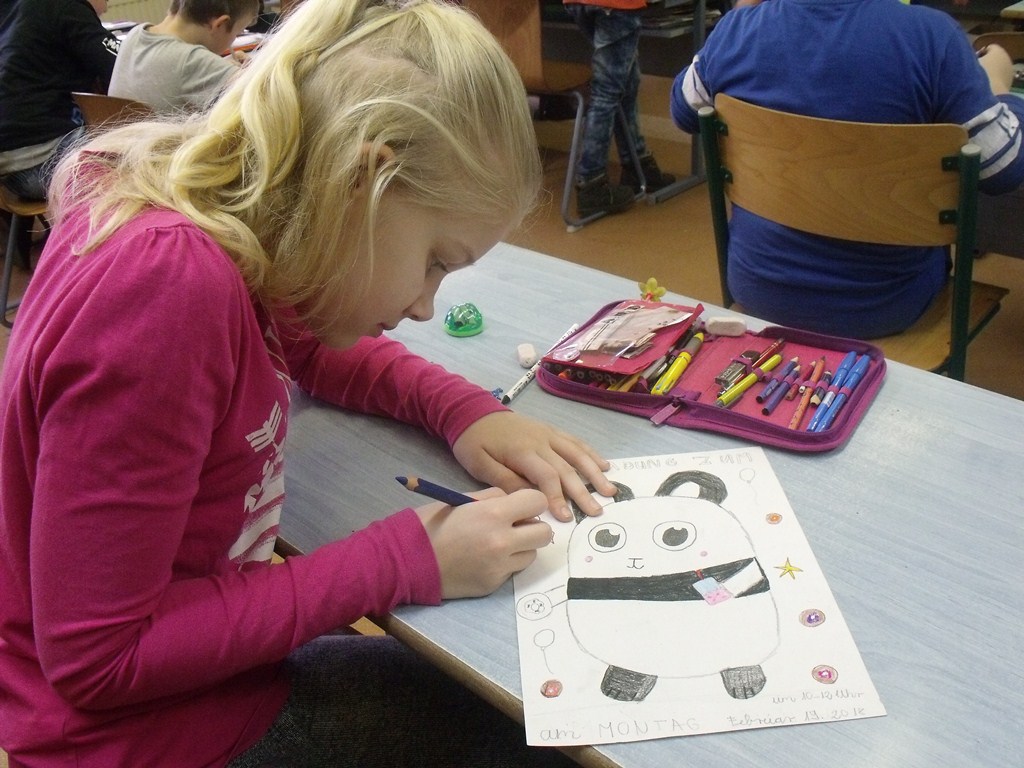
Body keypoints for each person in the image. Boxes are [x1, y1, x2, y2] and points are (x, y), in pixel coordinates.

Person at [0, 0, 619, 765]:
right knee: (539, 731)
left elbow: (313, 343)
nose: (425, 306)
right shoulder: (164, 292)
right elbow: (98, 659)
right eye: (435, 260)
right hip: (144, 739)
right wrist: (404, 561)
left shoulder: (226, 225)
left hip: (199, 681)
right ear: (362, 179)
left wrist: (463, 411)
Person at [670, 0, 1024, 340]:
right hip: (889, 305)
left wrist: (740, 19)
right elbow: (1004, 170)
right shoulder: (935, 37)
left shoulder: (735, 32)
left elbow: (684, 111)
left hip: (758, 289)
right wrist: (998, 86)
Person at [563, 0, 675, 218]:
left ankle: (637, 164)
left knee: (626, 81)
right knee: (607, 91)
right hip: (616, 5)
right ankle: (591, 182)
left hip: (579, 3)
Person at [0, 0, 119, 201]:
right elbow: (121, 66)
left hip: (8, 173)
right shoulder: (65, 6)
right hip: (46, 166)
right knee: (148, 149)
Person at [108, 0, 259, 114]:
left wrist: (219, 65)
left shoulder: (135, 34)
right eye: (237, 32)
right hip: (168, 147)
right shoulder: (192, 60)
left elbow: (172, 73)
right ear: (220, 24)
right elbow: (263, 95)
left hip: (121, 143)